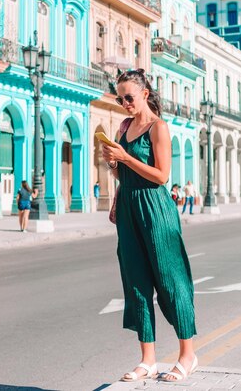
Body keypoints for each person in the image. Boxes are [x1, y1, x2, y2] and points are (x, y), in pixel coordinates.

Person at [101, 68, 197, 382]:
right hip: (129, 205)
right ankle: (148, 359)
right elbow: (123, 175)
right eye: (120, 98)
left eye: (129, 96)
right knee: (136, 282)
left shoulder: (159, 128)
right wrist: (113, 163)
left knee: (170, 280)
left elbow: (161, 176)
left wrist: (126, 159)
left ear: (144, 93)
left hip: (155, 207)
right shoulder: (124, 127)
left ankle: (187, 354)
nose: (124, 103)